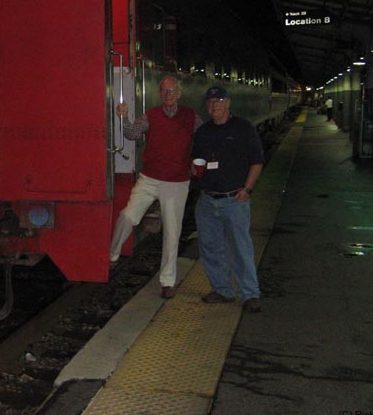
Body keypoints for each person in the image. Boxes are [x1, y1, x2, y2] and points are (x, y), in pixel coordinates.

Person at [109, 76, 201, 299]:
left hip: (177, 182)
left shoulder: (191, 118)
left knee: (172, 232)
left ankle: (168, 282)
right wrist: (123, 117)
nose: (168, 95)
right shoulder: (151, 115)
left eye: (172, 91)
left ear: (179, 94)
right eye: (164, 91)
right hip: (150, 178)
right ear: (160, 94)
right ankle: (113, 254)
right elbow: (132, 133)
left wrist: (200, 161)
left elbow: (204, 139)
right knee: (128, 216)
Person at [191, 86, 264, 313]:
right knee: (211, 248)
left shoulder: (243, 128)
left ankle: (250, 294)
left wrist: (248, 189)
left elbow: (257, 161)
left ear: (228, 103)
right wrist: (194, 170)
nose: (215, 104)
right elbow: (196, 160)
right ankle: (222, 289)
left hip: (234, 199)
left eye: (219, 100)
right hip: (207, 199)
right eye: (210, 101)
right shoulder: (203, 132)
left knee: (241, 248)